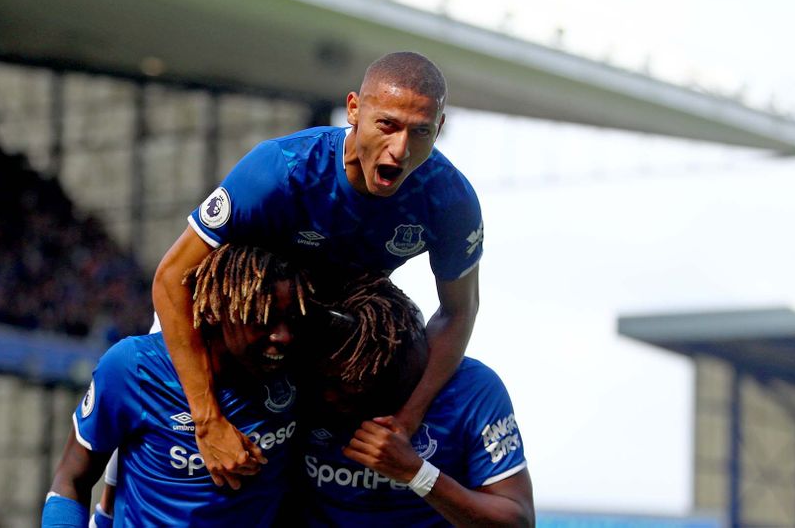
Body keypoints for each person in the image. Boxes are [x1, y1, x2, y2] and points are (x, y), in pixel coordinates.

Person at [154, 50, 484, 488]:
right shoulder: (280, 171)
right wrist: (207, 418)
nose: (401, 148)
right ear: (353, 110)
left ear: (438, 129)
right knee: (149, 402)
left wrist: (406, 419)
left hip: (321, 349)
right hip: (235, 336)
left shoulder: (450, 200)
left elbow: (458, 311)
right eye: (387, 124)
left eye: (421, 132)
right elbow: (170, 278)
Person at [42, 245, 312, 527]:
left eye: (293, 319)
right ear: (214, 310)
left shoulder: (301, 371)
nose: (283, 336)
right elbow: (71, 480)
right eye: (263, 319)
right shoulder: (134, 367)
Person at [299, 274, 534, 527]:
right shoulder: (297, 382)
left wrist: (417, 473)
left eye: (349, 385)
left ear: (392, 372)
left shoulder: (469, 389)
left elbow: (517, 521)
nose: (329, 396)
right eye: (323, 380)